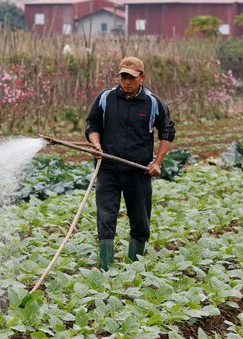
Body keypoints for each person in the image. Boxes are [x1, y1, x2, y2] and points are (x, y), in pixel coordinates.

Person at [85, 56, 175, 270]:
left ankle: (134, 269)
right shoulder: (105, 98)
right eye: (123, 77)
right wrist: (96, 144)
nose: (127, 82)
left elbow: (168, 131)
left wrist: (157, 162)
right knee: (106, 219)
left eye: (132, 78)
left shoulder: (153, 103)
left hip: (138, 171)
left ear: (142, 77)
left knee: (141, 221)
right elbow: (92, 125)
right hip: (108, 169)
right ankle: (106, 269)